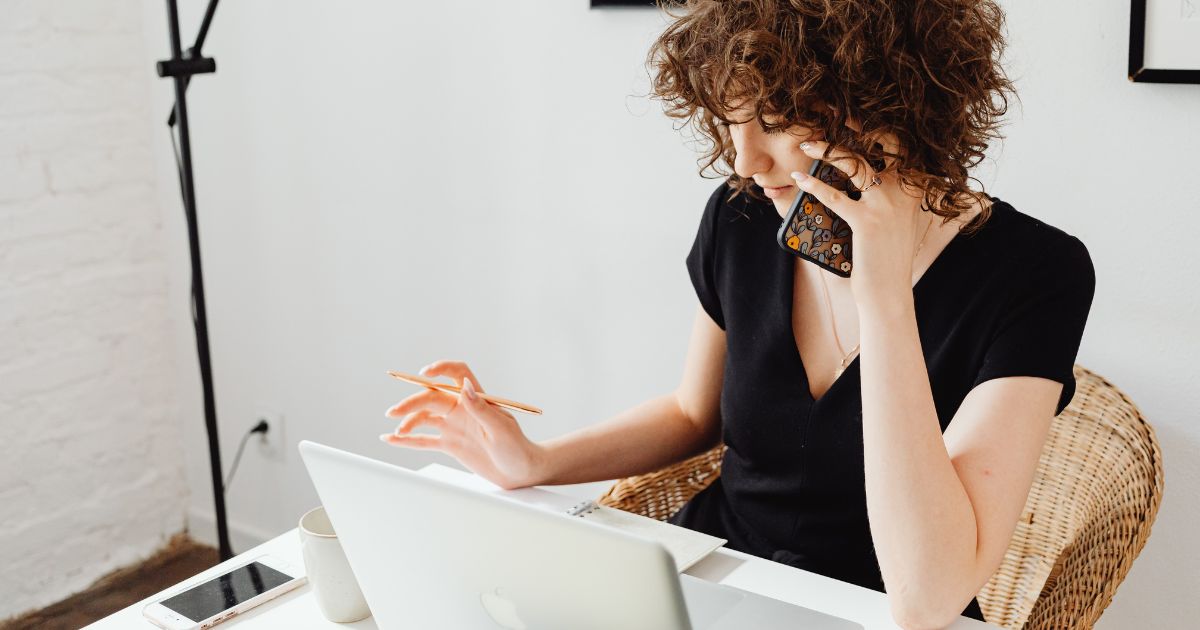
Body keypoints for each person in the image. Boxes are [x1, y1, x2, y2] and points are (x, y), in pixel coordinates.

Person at [378, 1, 1096, 627]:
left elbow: (926, 597)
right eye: (732, 121)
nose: (746, 160)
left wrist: (883, 300)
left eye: (777, 121)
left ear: (890, 104)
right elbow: (696, 415)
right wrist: (536, 462)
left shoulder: (1036, 275)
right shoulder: (743, 216)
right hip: (710, 587)